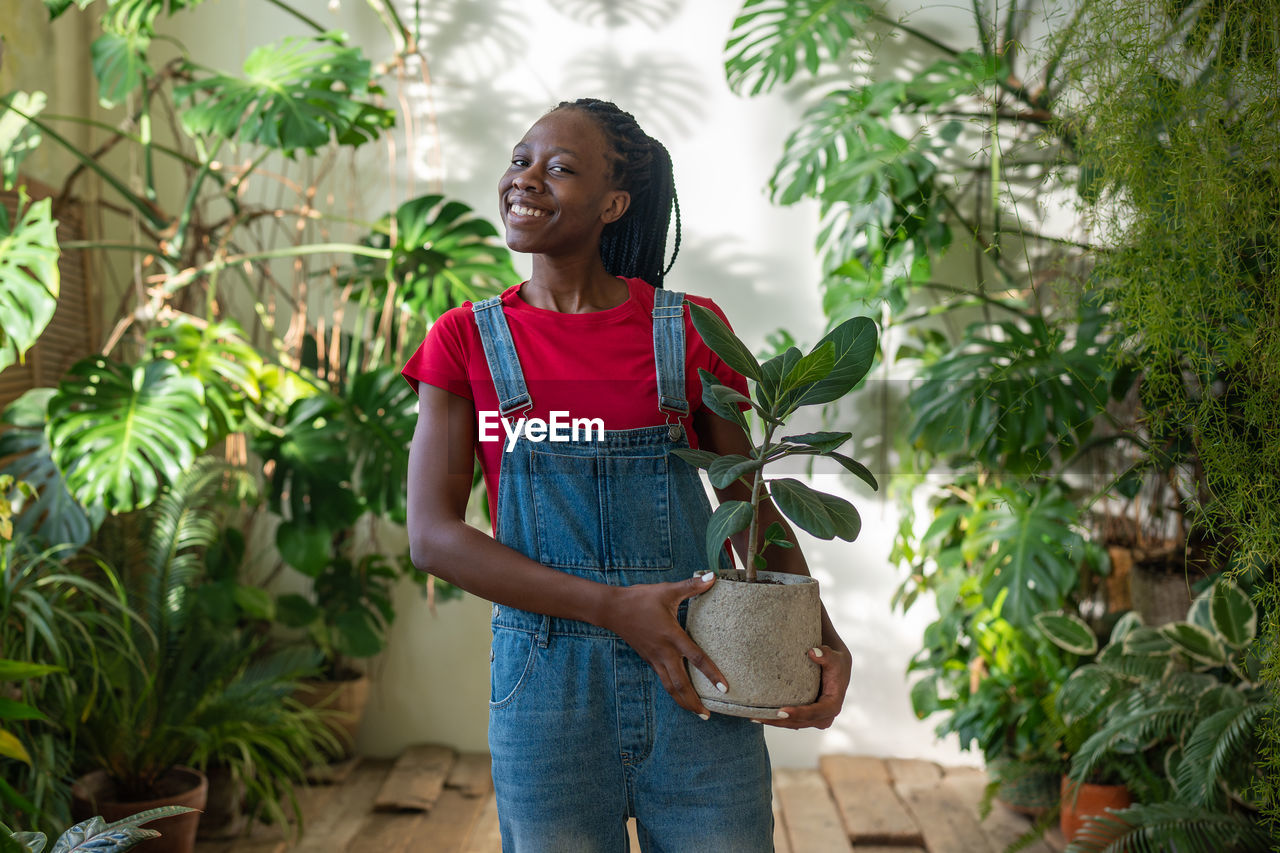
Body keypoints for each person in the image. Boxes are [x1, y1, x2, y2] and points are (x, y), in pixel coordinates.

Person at [403, 98, 851, 852]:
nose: (525, 179)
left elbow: (750, 503)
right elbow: (434, 538)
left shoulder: (687, 331)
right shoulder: (464, 341)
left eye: (559, 167)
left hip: (704, 677)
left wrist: (821, 641)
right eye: (520, 160)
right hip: (547, 702)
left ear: (614, 202)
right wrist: (613, 606)